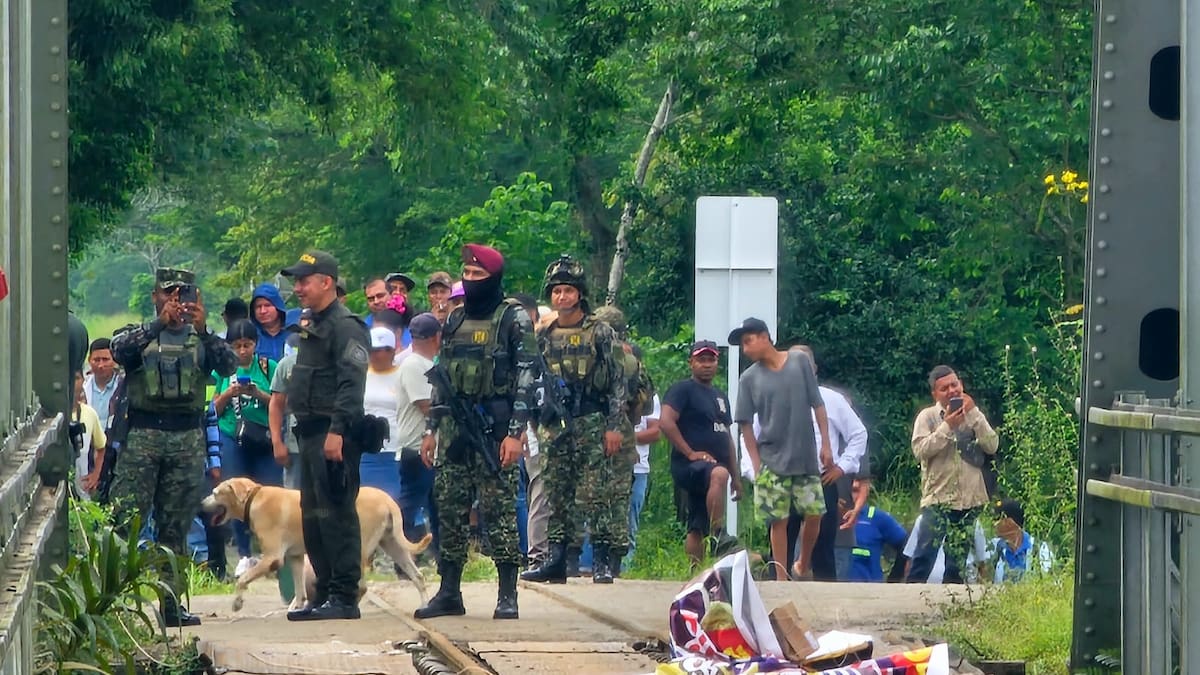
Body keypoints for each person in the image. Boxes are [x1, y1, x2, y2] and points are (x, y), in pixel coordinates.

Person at [109, 267, 238, 626]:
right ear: (156, 297)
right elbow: (118, 351)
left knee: (176, 524)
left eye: (184, 294)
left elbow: (230, 363)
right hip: (144, 438)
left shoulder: (203, 340)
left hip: (186, 438)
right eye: (169, 294)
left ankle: (171, 604)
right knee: (126, 520)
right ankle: (113, 602)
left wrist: (203, 330)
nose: (177, 301)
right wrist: (156, 325)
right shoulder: (137, 335)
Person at [416, 244, 538, 620]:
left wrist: (515, 434)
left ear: (493, 279)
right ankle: (449, 591)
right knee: (449, 510)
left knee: (499, 511)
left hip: (495, 429)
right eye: (466, 275)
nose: (470, 282)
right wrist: (431, 430)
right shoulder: (453, 320)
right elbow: (442, 378)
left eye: (477, 276)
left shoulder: (513, 319)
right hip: (454, 430)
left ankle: (507, 594)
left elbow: (527, 377)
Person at [522, 255, 628, 585]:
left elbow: (617, 382)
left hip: (592, 420)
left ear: (579, 294)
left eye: (568, 291)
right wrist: (530, 423)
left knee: (594, 492)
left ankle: (600, 560)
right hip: (555, 424)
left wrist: (614, 426)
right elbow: (530, 379)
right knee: (556, 490)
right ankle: (557, 558)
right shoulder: (544, 334)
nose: (562, 297)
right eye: (556, 291)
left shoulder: (600, 332)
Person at [280, 250, 371, 622]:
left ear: (326, 282)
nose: (298, 288)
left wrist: (337, 431)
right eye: (296, 281)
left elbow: (352, 383)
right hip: (309, 434)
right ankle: (324, 592)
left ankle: (344, 596)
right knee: (313, 517)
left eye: (304, 281)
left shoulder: (346, 326)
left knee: (336, 514)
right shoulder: (312, 323)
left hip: (334, 435)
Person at [729, 317, 833, 581]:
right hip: (771, 457)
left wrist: (826, 443)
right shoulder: (749, 379)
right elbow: (744, 424)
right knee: (779, 520)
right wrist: (755, 462)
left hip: (805, 456)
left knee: (814, 514)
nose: (746, 349)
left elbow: (817, 404)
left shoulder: (798, 362)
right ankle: (781, 576)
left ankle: (803, 561)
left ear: (765, 337)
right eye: (742, 344)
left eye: (748, 341)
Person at [908, 365, 999, 584]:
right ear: (935, 394)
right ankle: (908, 601)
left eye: (954, 384)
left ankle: (951, 610)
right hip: (938, 498)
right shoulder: (928, 417)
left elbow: (992, 445)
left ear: (961, 384)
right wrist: (948, 425)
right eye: (944, 388)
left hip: (969, 499)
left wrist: (974, 414)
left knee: (957, 562)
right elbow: (920, 450)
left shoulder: (974, 415)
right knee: (924, 555)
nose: (951, 390)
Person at [787, 345, 868, 582]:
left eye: (805, 365)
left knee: (823, 548)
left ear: (814, 369)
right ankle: (777, 591)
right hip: (783, 477)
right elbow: (753, 434)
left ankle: (827, 601)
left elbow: (858, 434)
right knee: (781, 545)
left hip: (821, 477)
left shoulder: (832, 400)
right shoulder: (772, 395)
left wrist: (843, 466)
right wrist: (756, 471)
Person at [658, 340, 740, 565]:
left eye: (711, 359)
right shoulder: (682, 389)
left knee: (696, 525)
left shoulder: (720, 396)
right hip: (690, 465)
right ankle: (719, 533)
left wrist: (737, 476)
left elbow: (727, 438)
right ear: (691, 363)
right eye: (701, 360)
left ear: (717, 363)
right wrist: (690, 452)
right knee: (718, 474)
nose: (706, 364)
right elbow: (665, 422)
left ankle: (694, 572)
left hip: (714, 467)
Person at [212, 319, 281, 577]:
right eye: (237, 345)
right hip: (231, 436)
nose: (242, 351)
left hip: (262, 437)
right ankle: (244, 553)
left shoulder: (267, 367)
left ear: (255, 344)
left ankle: (271, 552)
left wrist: (256, 393)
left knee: (269, 494)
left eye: (247, 345)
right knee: (236, 496)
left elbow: (279, 403)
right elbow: (213, 410)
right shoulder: (221, 372)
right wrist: (228, 394)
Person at [395, 313, 442, 557]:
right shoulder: (414, 364)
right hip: (417, 446)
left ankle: (440, 553)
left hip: (430, 447)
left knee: (436, 505)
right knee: (410, 504)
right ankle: (398, 553)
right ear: (437, 336)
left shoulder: (427, 364)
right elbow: (427, 406)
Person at [360, 326, 405, 503]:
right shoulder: (360, 375)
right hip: (365, 450)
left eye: (383, 350)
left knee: (395, 502)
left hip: (395, 449)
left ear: (393, 351)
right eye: (373, 350)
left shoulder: (403, 374)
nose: (377, 355)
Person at [845, 479, 909, 582]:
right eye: (848, 490)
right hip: (834, 591)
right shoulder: (830, 518)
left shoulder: (877, 518)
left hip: (870, 591)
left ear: (866, 491)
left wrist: (894, 579)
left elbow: (906, 545)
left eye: (856, 490)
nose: (851, 495)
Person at [985, 499, 1053, 583]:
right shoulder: (994, 548)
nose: (994, 523)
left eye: (998, 519)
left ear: (1010, 523)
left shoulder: (1039, 550)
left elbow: (1049, 584)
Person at [72, 372, 108, 498]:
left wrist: (95, 475)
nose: (72, 382)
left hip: (82, 490)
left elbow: (101, 447)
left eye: (76, 378)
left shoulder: (89, 413)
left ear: (83, 381)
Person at [83, 338, 122, 429]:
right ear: (89, 360)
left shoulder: (122, 386)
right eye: (96, 360)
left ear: (114, 360)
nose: (100, 365)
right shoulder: (82, 386)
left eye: (105, 360)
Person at [250, 283, 289, 361]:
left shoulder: (293, 332)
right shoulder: (250, 335)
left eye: (267, 305)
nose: (263, 311)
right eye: (258, 306)